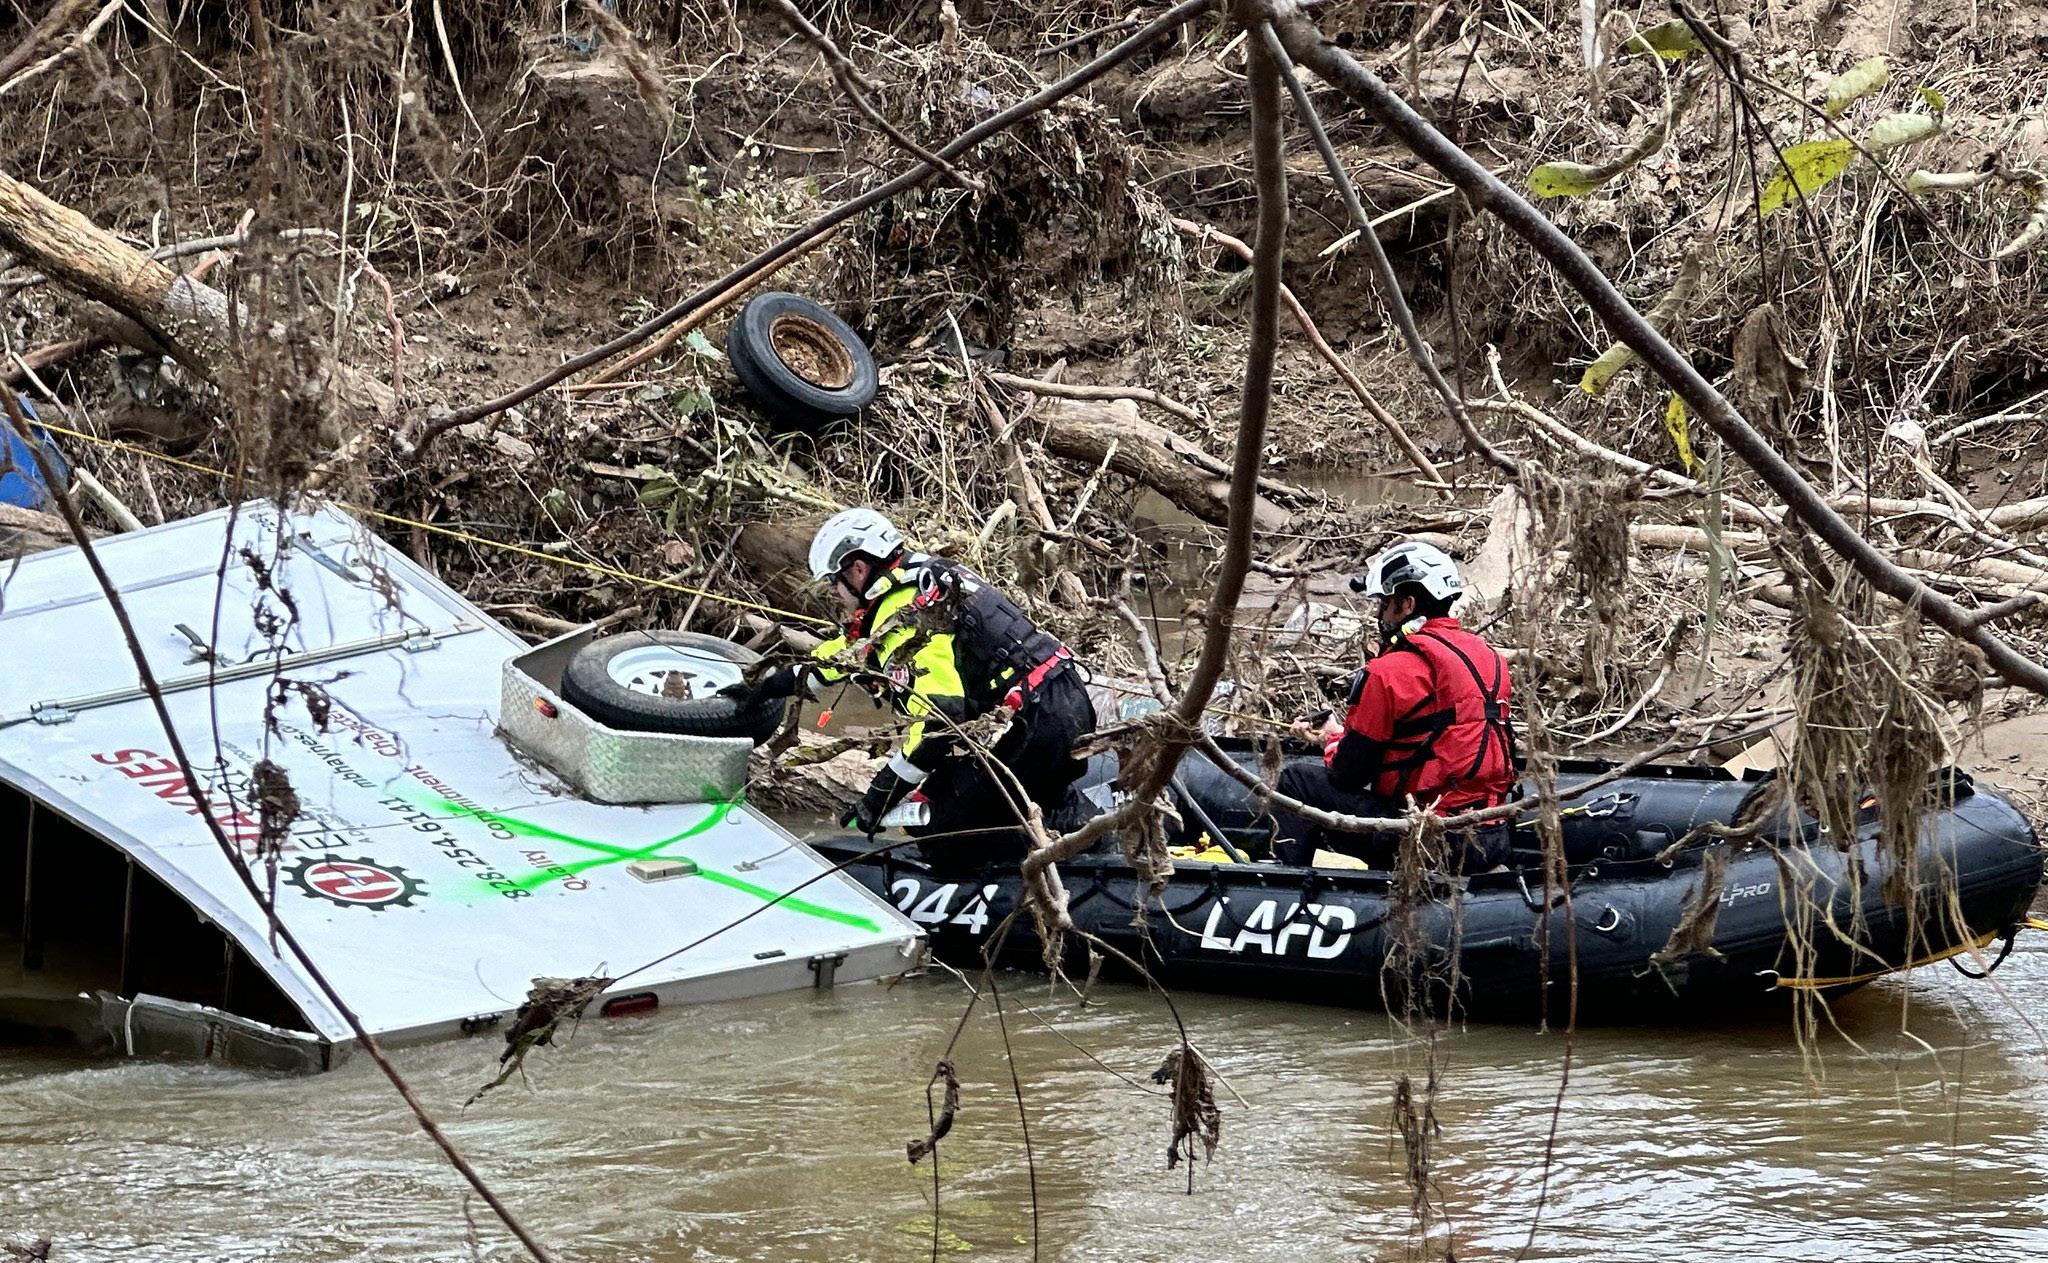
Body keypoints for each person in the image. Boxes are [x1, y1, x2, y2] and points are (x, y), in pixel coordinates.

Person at [742, 508, 1096, 867]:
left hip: (1039, 724)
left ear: (858, 569)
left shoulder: (907, 617)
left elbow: (937, 721)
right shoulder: (916, 582)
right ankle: (1083, 833)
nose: (834, 592)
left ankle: (1027, 873)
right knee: (990, 795)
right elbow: (848, 655)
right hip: (1064, 701)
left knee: (938, 827)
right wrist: (772, 686)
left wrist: (881, 793)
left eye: (835, 581)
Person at [1272, 540, 1515, 871]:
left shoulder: (1388, 672)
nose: (1380, 614)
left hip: (1427, 840)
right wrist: (1336, 734)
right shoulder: (1490, 658)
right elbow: (1438, 735)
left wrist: (1332, 743)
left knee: (1296, 781)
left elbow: (1349, 774)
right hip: (1492, 836)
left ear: (1407, 604)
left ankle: (1288, 884)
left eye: (1385, 604)